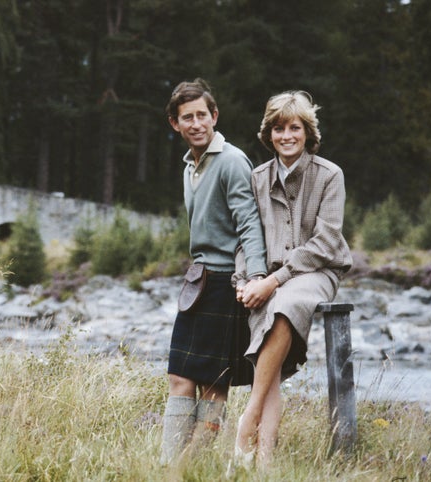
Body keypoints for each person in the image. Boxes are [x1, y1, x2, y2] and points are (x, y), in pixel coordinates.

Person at [231, 90, 353, 470]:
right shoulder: (257, 177)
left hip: (317, 271)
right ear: (269, 134)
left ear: (307, 132)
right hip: (266, 274)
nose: (287, 135)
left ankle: (247, 418)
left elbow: (327, 240)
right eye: (279, 128)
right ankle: (264, 463)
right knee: (268, 321)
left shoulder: (330, 175)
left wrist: (274, 281)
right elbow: (246, 236)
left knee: (282, 305)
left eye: (295, 128)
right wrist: (247, 279)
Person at [160, 78, 267, 465]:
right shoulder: (190, 164)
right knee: (179, 378)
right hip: (199, 279)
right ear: (175, 123)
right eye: (187, 117)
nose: (196, 123)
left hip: (226, 282)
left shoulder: (232, 161)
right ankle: (170, 466)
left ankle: (188, 469)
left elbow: (249, 223)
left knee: (213, 384)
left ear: (214, 116)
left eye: (202, 115)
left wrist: (256, 278)